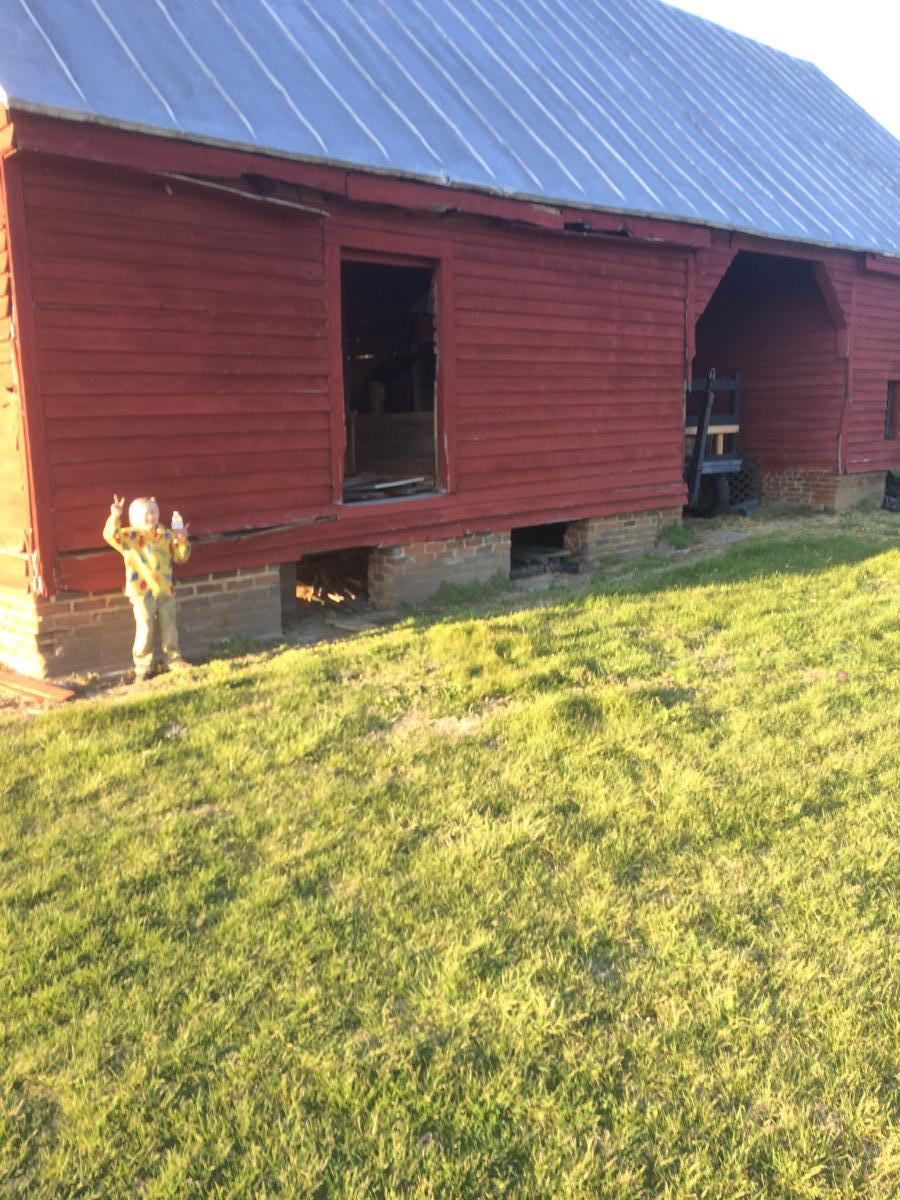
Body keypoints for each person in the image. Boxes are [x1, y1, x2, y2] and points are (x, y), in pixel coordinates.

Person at [103, 494, 192, 682]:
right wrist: (115, 517)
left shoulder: (166, 536)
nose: (152, 517)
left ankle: (173, 660)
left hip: (165, 590)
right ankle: (143, 667)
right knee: (145, 627)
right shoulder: (129, 537)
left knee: (169, 626)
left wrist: (182, 540)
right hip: (141, 591)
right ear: (134, 518)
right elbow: (110, 536)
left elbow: (180, 557)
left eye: (154, 512)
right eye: (147, 513)